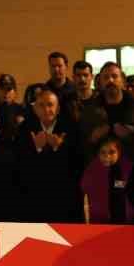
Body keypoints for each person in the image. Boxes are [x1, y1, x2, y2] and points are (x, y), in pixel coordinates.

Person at [14, 88, 83, 222]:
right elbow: (19, 165)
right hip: (34, 198)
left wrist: (58, 148)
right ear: (35, 109)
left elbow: (78, 164)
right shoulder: (24, 128)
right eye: (41, 105)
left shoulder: (71, 128)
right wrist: (37, 148)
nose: (46, 109)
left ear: (58, 109)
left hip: (63, 199)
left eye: (50, 105)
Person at [81, 135, 134, 223]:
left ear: (119, 152)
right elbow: (84, 187)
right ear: (98, 153)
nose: (107, 156)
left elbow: (133, 185)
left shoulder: (127, 167)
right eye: (103, 152)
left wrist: (118, 183)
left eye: (112, 152)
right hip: (99, 217)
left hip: (125, 217)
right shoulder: (92, 168)